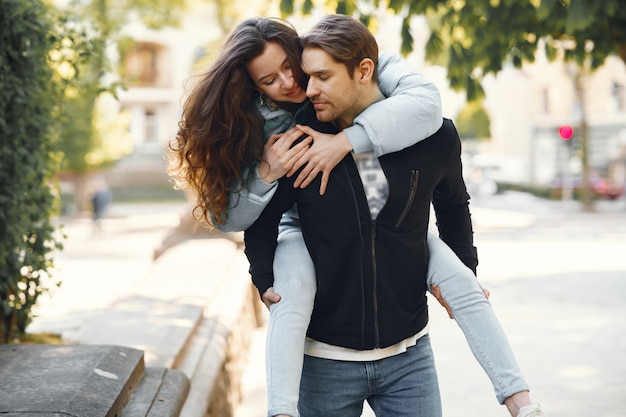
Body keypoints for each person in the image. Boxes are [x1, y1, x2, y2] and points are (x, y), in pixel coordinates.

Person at [169, 16, 544, 417]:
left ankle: (521, 402)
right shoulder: (292, 141)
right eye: (269, 80)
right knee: (291, 295)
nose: (297, 85)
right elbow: (257, 220)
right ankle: (280, 410)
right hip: (324, 351)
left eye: (302, 72)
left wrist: (465, 270)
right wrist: (263, 273)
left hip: (407, 349)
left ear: (361, 70)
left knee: (460, 282)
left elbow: (449, 199)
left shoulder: (415, 118)